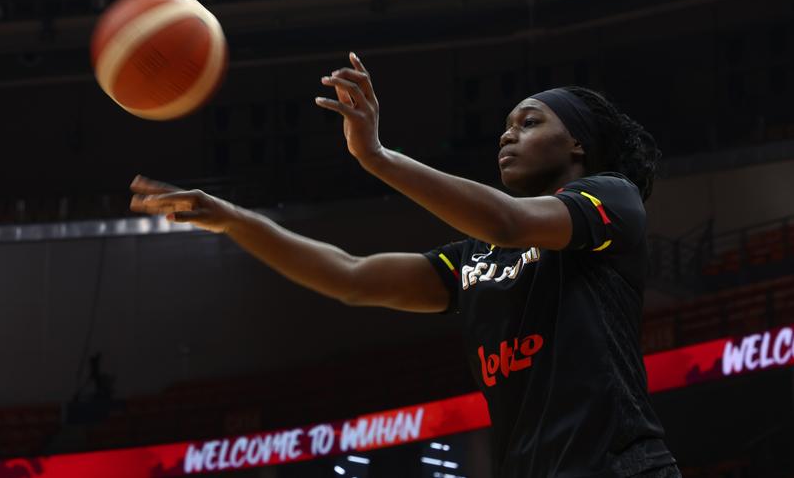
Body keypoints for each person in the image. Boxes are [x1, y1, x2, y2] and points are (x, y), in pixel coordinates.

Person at [130, 52, 679, 477]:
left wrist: (376, 156)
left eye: (529, 122)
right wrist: (235, 222)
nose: (508, 133)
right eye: (507, 125)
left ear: (577, 142)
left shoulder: (613, 198)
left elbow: (508, 221)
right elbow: (349, 277)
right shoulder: (477, 256)